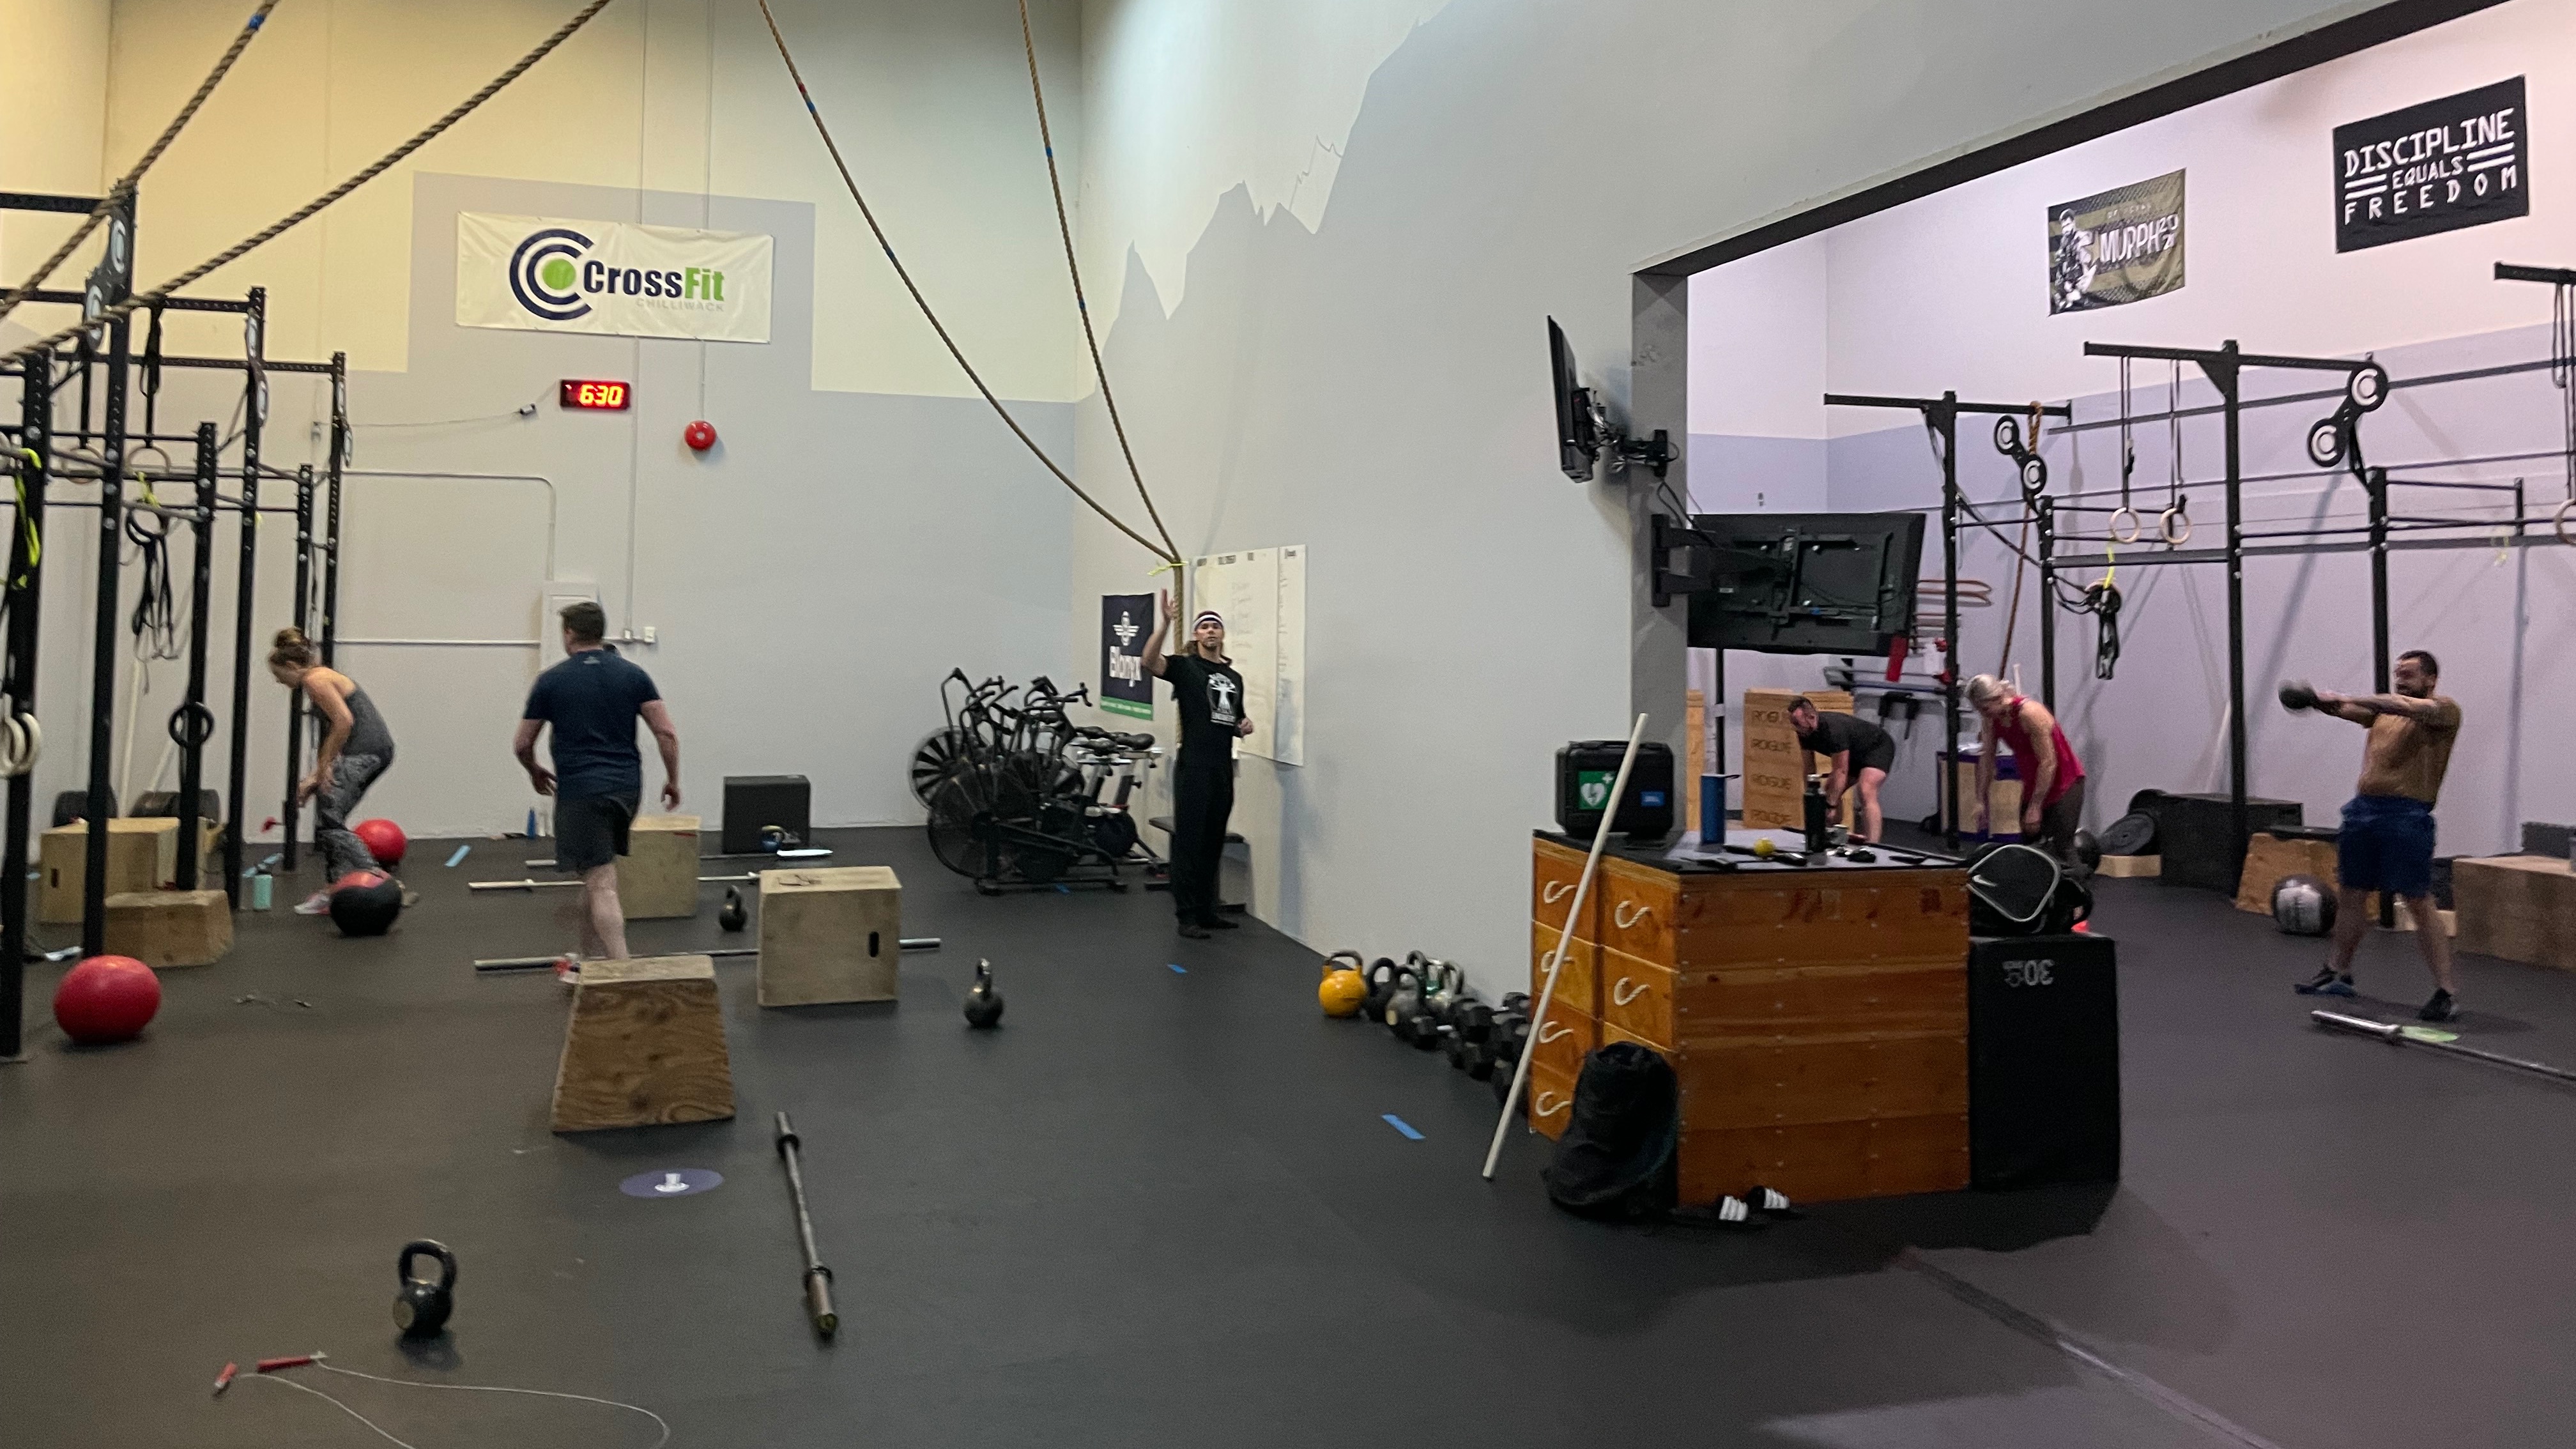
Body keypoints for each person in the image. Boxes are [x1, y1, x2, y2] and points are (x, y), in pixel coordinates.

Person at [2289, 650, 2463, 1022]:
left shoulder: (2444, 711)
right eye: (2398, 674)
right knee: (2352, 892)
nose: (2401, 680)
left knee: (2417, 899)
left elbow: (2395, 704)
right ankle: (2338, 972)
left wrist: (2347, 696)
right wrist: (2317, 701)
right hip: (2364, 811)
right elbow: (2348, 710)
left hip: (2407, 815)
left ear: (2431, 679)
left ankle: (2446, 992)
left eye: (2409, 674)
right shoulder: (2382, 714)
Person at [512, 601, 680, 979]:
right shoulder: (634, 675)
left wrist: (534, 771)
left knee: (602, 883)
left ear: (569, 633)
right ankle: (585, 961)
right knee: (595, 872)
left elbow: (522, 744)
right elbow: (666, 733)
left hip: (582, 792)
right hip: (627, 791)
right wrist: (673, 780)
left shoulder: (551, 680)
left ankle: (622, 974)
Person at [1142, 588, 1253, 939]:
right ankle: (1187, 915)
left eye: (1215, 626)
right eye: (1204, 627)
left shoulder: (1234, 679)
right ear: (1196, 635)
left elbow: (1232, 719)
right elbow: (1149, 662)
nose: (1210, 631)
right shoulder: (1186, 667)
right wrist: (1165, 624)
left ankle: (1208, 911)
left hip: (1221, 768)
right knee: (1189, 841)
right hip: (1194, 766)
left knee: (1212, 840)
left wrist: (1243, 726)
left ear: (1222, 634)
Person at [270, 627, 397, 915]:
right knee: (329, 820)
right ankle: (336, 890)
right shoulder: (322, 677)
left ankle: (377, 878)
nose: (278, 681)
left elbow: (343, 721)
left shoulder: (315, 680)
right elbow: (334, 731)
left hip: (366, 751)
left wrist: (322, 769)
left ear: (291, 666)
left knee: (329, 821)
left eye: (279, 675)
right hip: (369, 750)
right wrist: (317, 775)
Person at [1965, 674, 2088, 861]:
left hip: (2065, 782)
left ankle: (2079, 879)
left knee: (2063, 847)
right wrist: (1981, 800)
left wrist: (2035, 806)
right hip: (2033, 782)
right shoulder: (1991, 718)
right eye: (1979, 710)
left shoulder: (2030, 714)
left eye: (1985, 708)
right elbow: (1987, 759)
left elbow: (2048, 762)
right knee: (2030, 846)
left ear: (1998, 698)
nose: (1983, 714)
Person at [1786, 695, 1895, 843]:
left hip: (1877, 747)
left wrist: (1832, 806)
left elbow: (1841, 771)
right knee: (1825, 795)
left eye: (1797, 723)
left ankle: (1873, 844)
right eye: (1792, 723)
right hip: (1854, 753)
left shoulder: (1833, 730)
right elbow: (1809, 768)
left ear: (1811, 717)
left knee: (1865, 790)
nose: (1795, 727)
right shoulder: (1804, 733)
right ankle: (1834, 836)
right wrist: (1811, 798)